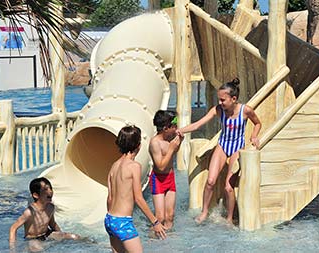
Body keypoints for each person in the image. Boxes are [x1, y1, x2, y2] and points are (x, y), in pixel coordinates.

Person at [177, 78, 261, 225]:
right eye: (219, 99)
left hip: (237, 147)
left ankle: (229, 218)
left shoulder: (245, 110)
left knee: (228, 188)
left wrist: (254, 136)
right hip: (222, 145)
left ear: (233, 99)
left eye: (223, 100)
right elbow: (198, 124)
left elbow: (258, 123)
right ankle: (204, 212)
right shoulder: (218, 110)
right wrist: (180, 130)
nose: (220, 103)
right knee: (210, 181)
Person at [105, 125, 167, 253]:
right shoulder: (134, 166)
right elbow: (138, 198)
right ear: (138, 145)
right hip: (123, 222)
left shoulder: (114, 166)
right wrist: (155, 222)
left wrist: (112, 221)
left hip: (110, 219)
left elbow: (110, 198)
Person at [9, 177, 80, 250]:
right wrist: (12, 248)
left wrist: (61, 234)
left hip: (47, 234)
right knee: (37, 248)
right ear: (36, 195)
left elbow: (52, 224)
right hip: (33, 239)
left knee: (74, 237)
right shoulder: (29, 212)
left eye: (50, 188)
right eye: (46, 189)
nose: (50, 191)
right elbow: (13, 228)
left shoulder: (51, 207)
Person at [148, 110, 183, 230]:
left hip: (170, 178)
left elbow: (174, 152)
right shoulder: (155, 143)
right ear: (165, 128)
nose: (177, 128)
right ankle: (152, 239)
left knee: (170, 216)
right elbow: (161, 166)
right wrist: (172, 148)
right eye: (174, 126)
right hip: (158, 180)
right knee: (160, 217)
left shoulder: (169, 139)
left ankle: (168, 243)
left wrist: (180, 142)